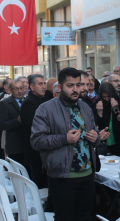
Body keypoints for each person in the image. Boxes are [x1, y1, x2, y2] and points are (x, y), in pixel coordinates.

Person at [31, 68, 100, 221]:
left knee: (85, 217)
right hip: (62, 177)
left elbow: (95, 137)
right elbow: (36, 141)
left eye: (78, 85)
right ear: (60, 87)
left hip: (88, 176)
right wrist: (64, 139)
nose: (75, 89)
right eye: (70, 85)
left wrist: (96, 137)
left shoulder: (85, 107)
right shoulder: (46, 109)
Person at [20, 74, 47, 188]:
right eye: (40, 84)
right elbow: (33, 127)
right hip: (36, 151)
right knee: (38, 184)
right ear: (32, 87)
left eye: (44, 83)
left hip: (44, 149)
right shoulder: (29, 103)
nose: (44, 86)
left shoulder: (42, 100)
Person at [93, 83, 120, 156]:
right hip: (104, 140)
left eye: (108, 96)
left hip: (118, 139)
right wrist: (99, 112)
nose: (106, 99)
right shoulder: (98, 102)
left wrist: (116, 109)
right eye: (104, 97)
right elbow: (97, 123)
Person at [0, 79, 26, 165]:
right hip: (15, 145)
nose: (19, 91)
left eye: (21, 88)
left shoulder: (27, 101)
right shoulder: (5, 103)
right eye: (16, 89)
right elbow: (2, 125)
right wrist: (17, 121)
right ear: (10, 90)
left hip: (27, 144)